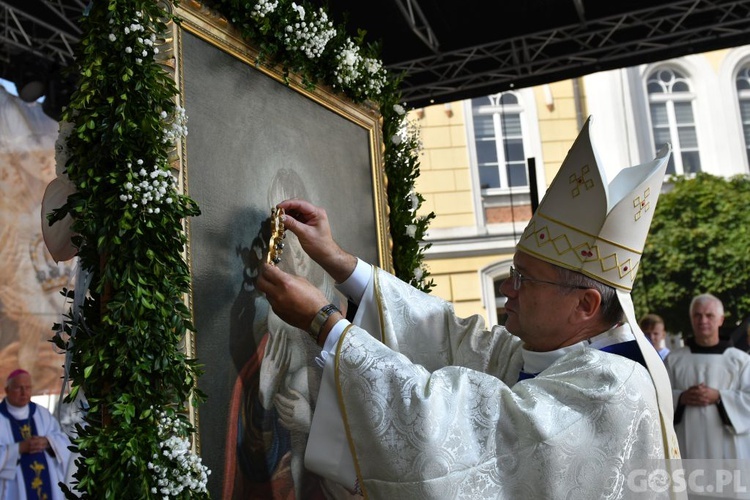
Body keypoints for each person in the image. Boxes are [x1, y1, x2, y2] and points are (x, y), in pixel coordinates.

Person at [257, 118, 683, 498]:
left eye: (523, 279)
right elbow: (455, 337)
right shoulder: (563, 353)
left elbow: (461, 434)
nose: (507, 293)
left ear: (585, 305)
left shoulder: (609, 390)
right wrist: (340, 262)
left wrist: (324, 322)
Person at [666, 294, 750, 459]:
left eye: (709, 315)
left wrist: (719, 396)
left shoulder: (741, 361)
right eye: (697, 315)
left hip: (730, 447)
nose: (702, 320)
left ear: (721, 319)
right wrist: (681, 397)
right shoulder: (673, 360)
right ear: (691, 319)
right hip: (686, 445)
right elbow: (658, 399)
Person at [0, 369, 72, 500]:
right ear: (7, 390)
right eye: (18, 388)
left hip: (47, 480)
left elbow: (62, 440)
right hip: (13, 487)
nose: (24, 392)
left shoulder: (41, 413)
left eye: (27, 388)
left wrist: (48, 442)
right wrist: (19, 448)